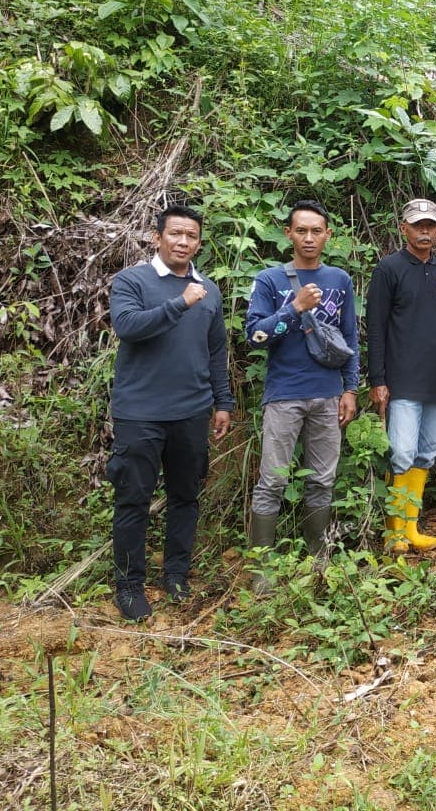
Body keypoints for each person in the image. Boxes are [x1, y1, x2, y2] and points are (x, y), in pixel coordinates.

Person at [107, 205, 233, 622]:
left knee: (185, 496)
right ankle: (128, 586)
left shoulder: (208, 290)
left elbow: (216, 351)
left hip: (192, 411)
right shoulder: (132, 281)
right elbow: (127, 326)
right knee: (133, 500)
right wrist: (179, 303)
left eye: (191, 236)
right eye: (176, 234)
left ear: (199, 242)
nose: (183, 242)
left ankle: (176, 575)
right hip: (140, 413)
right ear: (158, 237)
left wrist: (223, 402)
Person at [244, 200, 359, 592]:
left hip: (328, 396)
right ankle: (261, 570)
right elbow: (255, 337)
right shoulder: (269, 280)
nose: (309, 238)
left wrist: (350, 388)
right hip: (284, 395)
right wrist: (294, 308)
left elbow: (350, 339)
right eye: (301, 230)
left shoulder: (340, 280)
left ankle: (318, 563)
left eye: (317, 231)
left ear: (328, 235)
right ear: (288, 234)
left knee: (322, 481)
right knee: (272, 480)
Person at [366, 198, 436, 553]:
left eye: (430, 225)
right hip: (402, 379)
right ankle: (393, 530)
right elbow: (376, 328)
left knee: (427, 452)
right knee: (402, 452)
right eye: (418, 225)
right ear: (404, 228)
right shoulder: (389, 269)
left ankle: (411, 527)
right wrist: (377, 379)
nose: (424, 231)